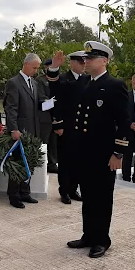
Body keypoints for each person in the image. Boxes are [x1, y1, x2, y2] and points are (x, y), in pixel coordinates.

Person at [46, 41, 130, 259]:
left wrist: (118, 153)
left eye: (91, 59)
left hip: (104, 153)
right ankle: (88, 235)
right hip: (84, 152)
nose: (87, 62)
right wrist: (54, 69)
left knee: (102, 197)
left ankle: (101, 240)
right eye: (86, 59)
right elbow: (58, 91)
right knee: (88, 195)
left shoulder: (115, 85)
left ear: (104, 61)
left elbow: (124, 121)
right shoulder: (83, 82)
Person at [3, 53, 46, 209]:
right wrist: (13, 128)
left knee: (29, 162)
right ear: (26, 64)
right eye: (34, 67)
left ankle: (25, 192)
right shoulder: (14, 83)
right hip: (20, 131)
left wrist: (50, 104)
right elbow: (11, 109)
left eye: (37, 68)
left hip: (33, 131)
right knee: (18, 163)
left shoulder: (34, 83)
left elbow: (38, 105)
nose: (36, 71)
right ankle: (13, 195)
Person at [55, 51, 86, 204]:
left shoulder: (87, 80)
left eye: (85, 62)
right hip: (66, 127)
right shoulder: (62, 79)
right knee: (65, 160)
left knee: (78, 161)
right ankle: (64, 191)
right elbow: (56, 103)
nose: (84, 66)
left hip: (81, 128)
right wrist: (58, 124)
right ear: (72, 63)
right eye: (81, 62)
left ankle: (73, 189)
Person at [35, 58, 59, 173]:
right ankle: (42, 163)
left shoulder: (59, 78)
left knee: (54, 142)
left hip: (56, 117)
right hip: (45, 116)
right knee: (44, 141)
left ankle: (53, 163)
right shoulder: (40, 80)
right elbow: (40, 98)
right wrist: (54, 102)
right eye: (48, 66)